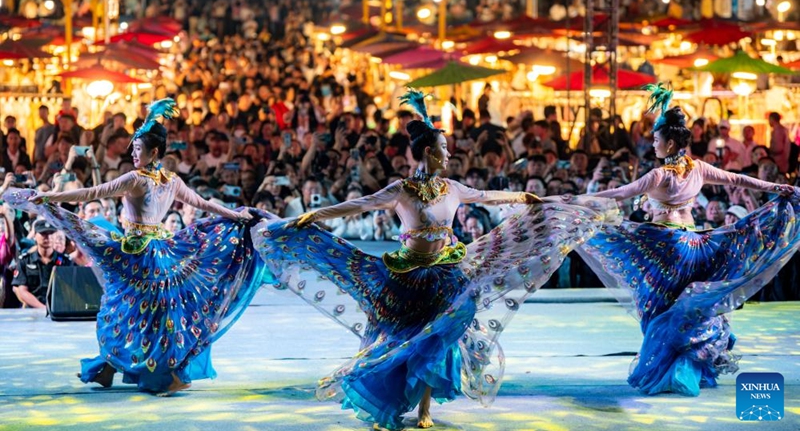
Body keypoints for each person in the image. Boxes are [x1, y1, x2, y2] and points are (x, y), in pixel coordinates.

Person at [251, 89, 618, 431]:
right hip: (406, 276)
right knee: (403, 341)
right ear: (428, 152)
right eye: (444, 147)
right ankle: (388, 398)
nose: (449, 153)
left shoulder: (453, 188)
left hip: (446, 274)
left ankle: (426, 409)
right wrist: (314, 216)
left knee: (438, 339)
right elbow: (358, 204)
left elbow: (487, 195)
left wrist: (522, 196)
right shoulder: (401, 190)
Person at [4, 98, 269, 396]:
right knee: (148, 315)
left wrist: (51, 197)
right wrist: (237, 215)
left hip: (135, 256)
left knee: (125, 313)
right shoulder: (171, 180)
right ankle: (110, 367)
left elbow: (93, 192)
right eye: (133, 147)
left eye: (138, 149)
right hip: (161, 254)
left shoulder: (137, 179)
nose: (132, 152)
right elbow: (205, 204)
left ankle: (151, 372)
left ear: (154, 152)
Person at [575, 84, 800, 397]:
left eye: (655, 139)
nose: (652, 144)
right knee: (693, 308)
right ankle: (686, 367)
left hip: (665, 246)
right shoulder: (699, 168)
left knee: (660, 309)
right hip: (696, 244)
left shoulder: (659, 175)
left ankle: (674, 369)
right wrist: (777, 188)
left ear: (668, 142)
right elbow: (738, 179)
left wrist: (579, 199)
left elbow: (619, 193)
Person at [11, 220, 73, 308]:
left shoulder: (66, 261)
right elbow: (22, 290)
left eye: (51, 233)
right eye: (43, 233)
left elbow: (71, 288)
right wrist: (42, 308)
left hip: (60, 308)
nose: (47, 237)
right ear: (35, 236)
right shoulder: (25, 260)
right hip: (33, 309)